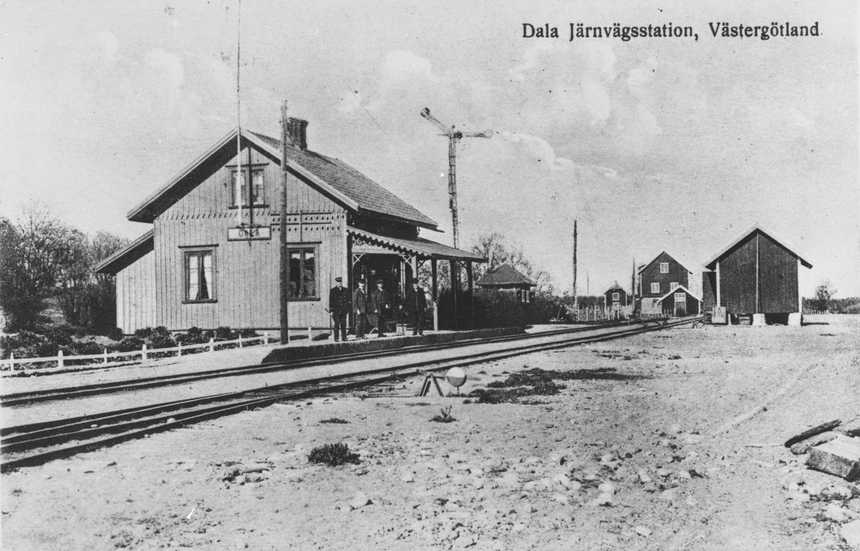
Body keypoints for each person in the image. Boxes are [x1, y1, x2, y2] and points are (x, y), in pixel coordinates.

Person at [328, 277, 351, 342]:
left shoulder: (345, 290)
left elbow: (349, 300)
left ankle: (344, 337)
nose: (339, 283)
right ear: (336, 283)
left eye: (340, 282)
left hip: (343, 310)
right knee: (337, 324)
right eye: (338, 282)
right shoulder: (333, 290)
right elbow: (331, 301)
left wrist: (347, 309)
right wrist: (331, 310)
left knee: (343, 324)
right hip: (336, 310)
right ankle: (336, 338)